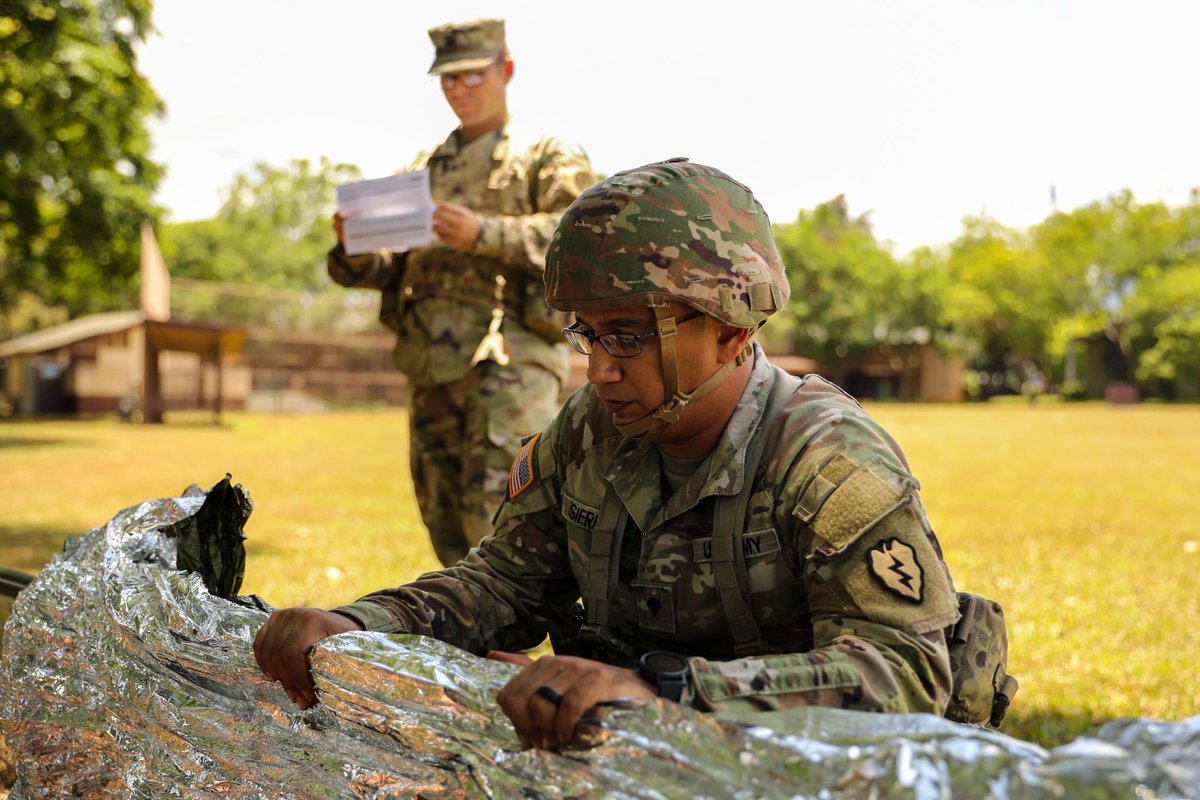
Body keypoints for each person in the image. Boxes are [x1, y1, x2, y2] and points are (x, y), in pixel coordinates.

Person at [257, 159, 963, 752]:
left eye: (627, 336)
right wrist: (356, 623)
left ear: (728, 327)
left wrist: (664, 695)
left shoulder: (825, 454)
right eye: (586, 336)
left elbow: (905, 674)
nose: (598, 370)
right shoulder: (591, 430)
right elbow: (501, 585)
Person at [327, 18, 597, 566]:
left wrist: (485, 233)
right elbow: (383, 269)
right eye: (449, 80)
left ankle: (520, 649)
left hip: (510, 364)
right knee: (444, 520)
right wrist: (354, 244)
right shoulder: (423, 170)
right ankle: (469, 644)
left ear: (506, 69)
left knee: (505, 519)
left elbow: (584, 238)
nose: (460, 90)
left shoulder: (548, 154)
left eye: (473, 75)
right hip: (429, 367)